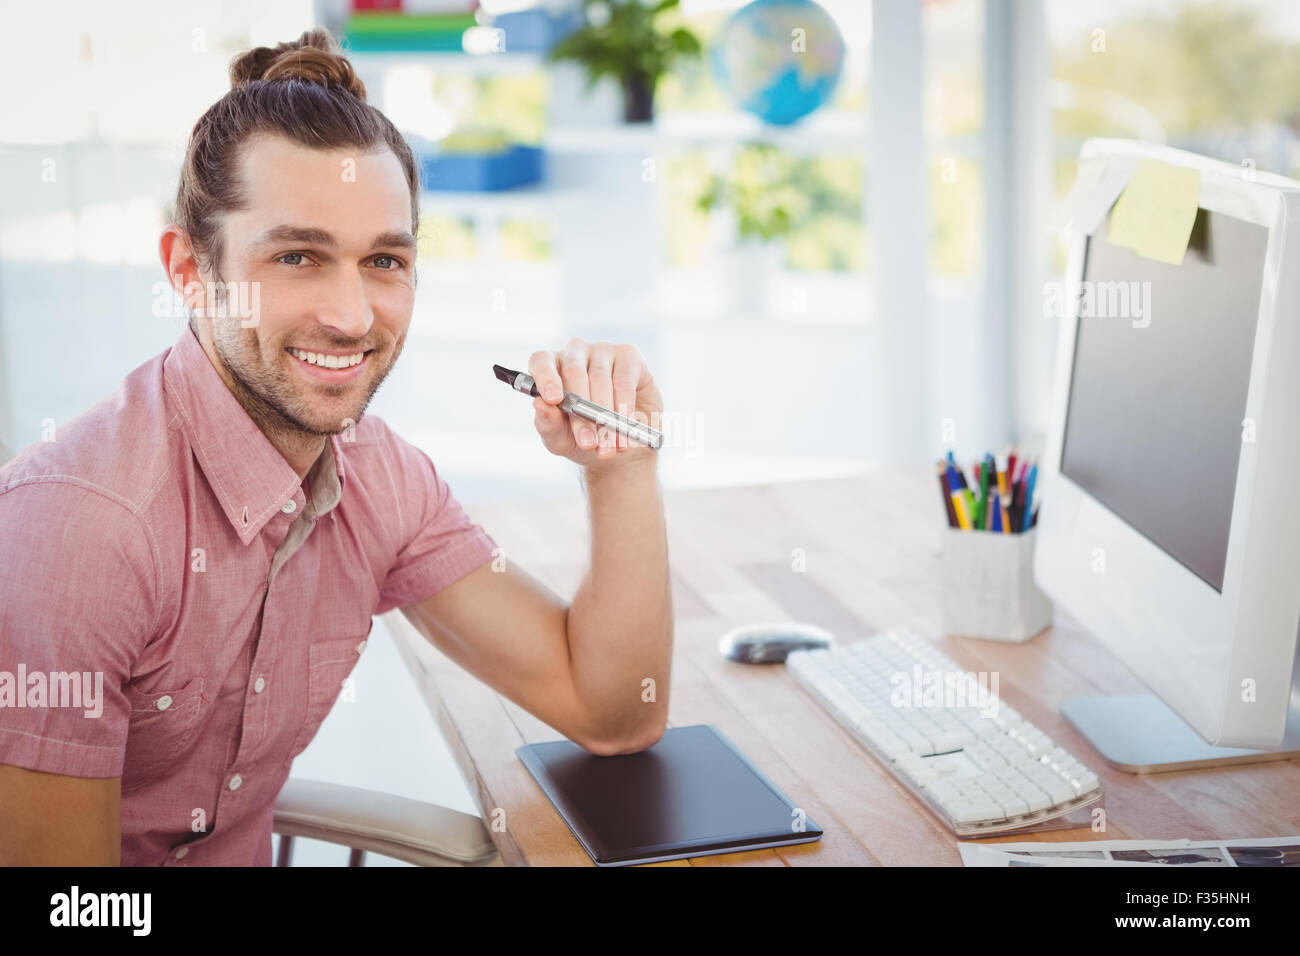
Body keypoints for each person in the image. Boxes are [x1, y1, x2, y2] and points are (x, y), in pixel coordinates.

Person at [0, 28, 672, 866]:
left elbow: (613, 713)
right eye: (297, 256)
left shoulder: (378, 477)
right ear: (188, 268)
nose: (353, 317)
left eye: (384, 260)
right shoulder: (80, 531)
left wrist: (621, 470)